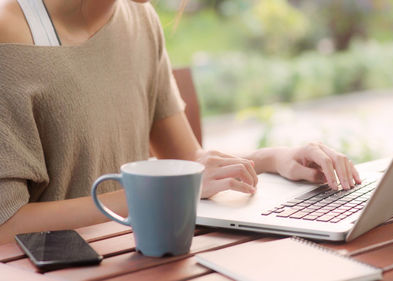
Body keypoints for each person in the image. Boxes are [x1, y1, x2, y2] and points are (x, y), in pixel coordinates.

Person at [0, 0, 361, 244]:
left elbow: (189, 166)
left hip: (135, 260)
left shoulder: (140, 20)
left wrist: (274, 159)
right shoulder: (8, 34)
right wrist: (161, 193)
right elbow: (7, 223)